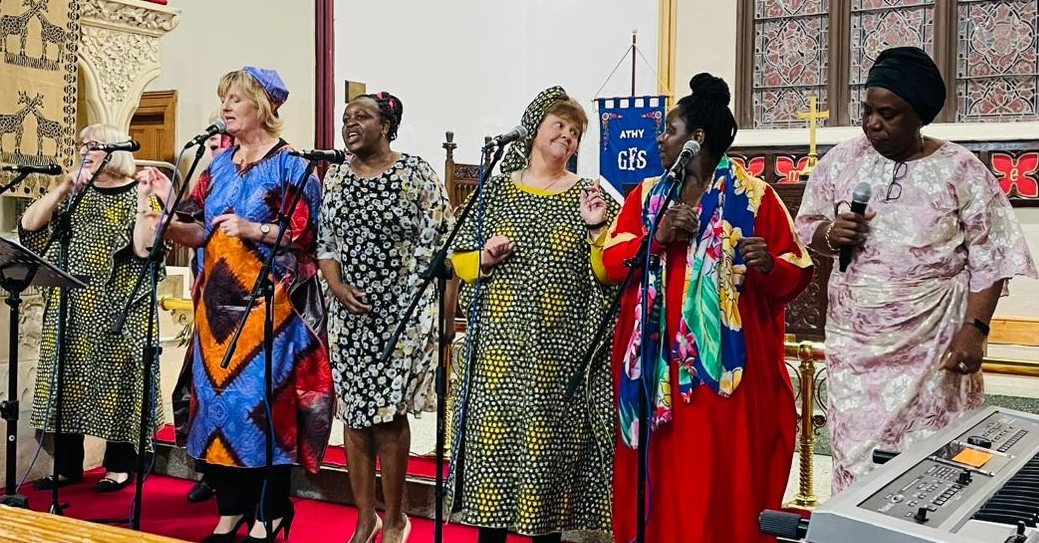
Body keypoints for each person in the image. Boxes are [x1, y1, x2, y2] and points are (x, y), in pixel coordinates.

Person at [794, 46, 1038, 493]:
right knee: (857, 462)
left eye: (888, 114)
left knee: (934, 467)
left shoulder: (962, 171)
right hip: (856, 349)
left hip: (934, 346)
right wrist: (833, 234)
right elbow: (807, 229)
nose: (872, 123)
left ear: (919, 116)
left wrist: (975, 330)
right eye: (867, 110)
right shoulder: (842, 162)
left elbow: (994, 254)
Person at [604, 74, 814, 543]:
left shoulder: (755, 197)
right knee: (660, 476)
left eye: (670, 129)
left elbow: (795, 270)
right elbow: (610, 262)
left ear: (695, 140)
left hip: (721, 380)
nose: (660, 138)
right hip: (654, 371)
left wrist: (766, 266)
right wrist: (655, 238)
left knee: (716, 477)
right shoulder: (645, 197)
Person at [162, 66, 335, 543]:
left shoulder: (292, 166)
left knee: (263, 414)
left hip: (270, 313)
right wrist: (165, 211)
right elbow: (197, 230)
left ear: (263, 106)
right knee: (217, 414)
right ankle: (230, 510)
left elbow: (307, 235)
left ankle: (271, 512)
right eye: (225, 99)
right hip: (215, 317)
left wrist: (255, 229)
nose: (226, 107)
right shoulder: (215, 164)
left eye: (236, 98)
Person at [448, 86, 619, 543]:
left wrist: (596, 228)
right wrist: (483, 258)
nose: (569, 136)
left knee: (546, 470)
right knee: (493, 467)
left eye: (577, 132)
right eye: (560, 126)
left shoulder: (590, 195)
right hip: (496, 359)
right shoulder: (495, 192)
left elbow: (612, 272)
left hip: (556, 358)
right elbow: (455, 259)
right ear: (534, 132)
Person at [318, 91, 453, 543]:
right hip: (348, 314)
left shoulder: (415, 173)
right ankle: (364, 517)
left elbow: (438, 241)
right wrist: (336, 287)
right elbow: (326, 245)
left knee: (388, 416)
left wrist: (409, 299)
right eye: (346, 117)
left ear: (387, 125)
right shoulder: (335, 177)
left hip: (402, 316)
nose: (350, 124)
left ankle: (395, 519)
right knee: (355, 417)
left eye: (362, 117)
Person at [22, 123, 165, 493]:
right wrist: (63, 188)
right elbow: (29, 227)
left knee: (117, 387)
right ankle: (68, 467)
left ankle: (119, 466)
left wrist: (143, 203)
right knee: (63, 383)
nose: (84, 149)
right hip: (70, 304)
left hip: (120, 309)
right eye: (82, 144)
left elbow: (144, 250)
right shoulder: (76, 194)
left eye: (93, 144)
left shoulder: (142, 191)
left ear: (114, 150)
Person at [163, 110, 235, 505]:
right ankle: (206, 470)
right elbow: (191, 221)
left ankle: (232, 480)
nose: (216, 149)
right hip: (208, 295)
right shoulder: (208, 176)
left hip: (241, 300)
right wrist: (167, 198)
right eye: (212, 144)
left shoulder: (249, 172)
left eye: (221, 142)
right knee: (193, 393)